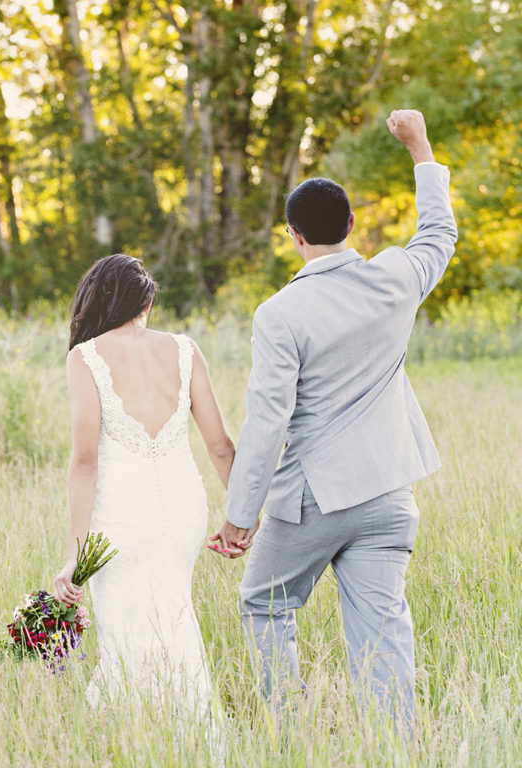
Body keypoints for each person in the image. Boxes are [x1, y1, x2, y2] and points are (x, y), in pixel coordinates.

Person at [209, 109, 458, 728]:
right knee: (382, 632)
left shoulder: (280, 314)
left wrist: (241, 518)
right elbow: (440, 232)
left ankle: (291, 732)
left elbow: (268, 423)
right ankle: (394, 745)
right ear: (351, 225)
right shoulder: (396, 278)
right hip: (388, 494)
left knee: (264, 604)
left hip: (315, 501)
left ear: (294, 236)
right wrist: (419, 147)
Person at [53, 253, 235, 718]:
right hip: (182, 509)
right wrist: (243, 516)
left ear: (96, 301)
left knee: (124, 631)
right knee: (172, 616)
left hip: (122, 512)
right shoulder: (184, 349)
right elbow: (220, 447)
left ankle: (135, 736)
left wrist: (76, 554)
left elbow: (85, 460)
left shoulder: (85, 358)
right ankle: (192, 729)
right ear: (147, 300)